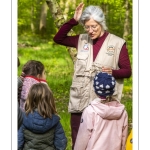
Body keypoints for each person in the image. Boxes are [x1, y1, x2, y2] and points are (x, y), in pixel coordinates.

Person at [53, 2, 131, 148]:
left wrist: (112, 72)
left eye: (94, 26)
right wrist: (73, 21)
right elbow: (58, 39)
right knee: (78, 140)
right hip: (79, 101)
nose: (90, 30)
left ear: (102, 23)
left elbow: (127, 71)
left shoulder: (117, 43)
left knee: (99, 143)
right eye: (87, 26)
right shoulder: (81, 39)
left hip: (102, 105)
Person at [74, 72, 128, 150]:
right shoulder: (122, 112)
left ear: (95, 89)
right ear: (113, 89)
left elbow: (82, 138)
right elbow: (124, 138)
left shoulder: (90, 111)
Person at [18, 83, 67, 150]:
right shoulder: (55, 122)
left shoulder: (23, 120)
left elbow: (18, 144)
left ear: (30, 99)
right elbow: (61, 145)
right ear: (50, 100)